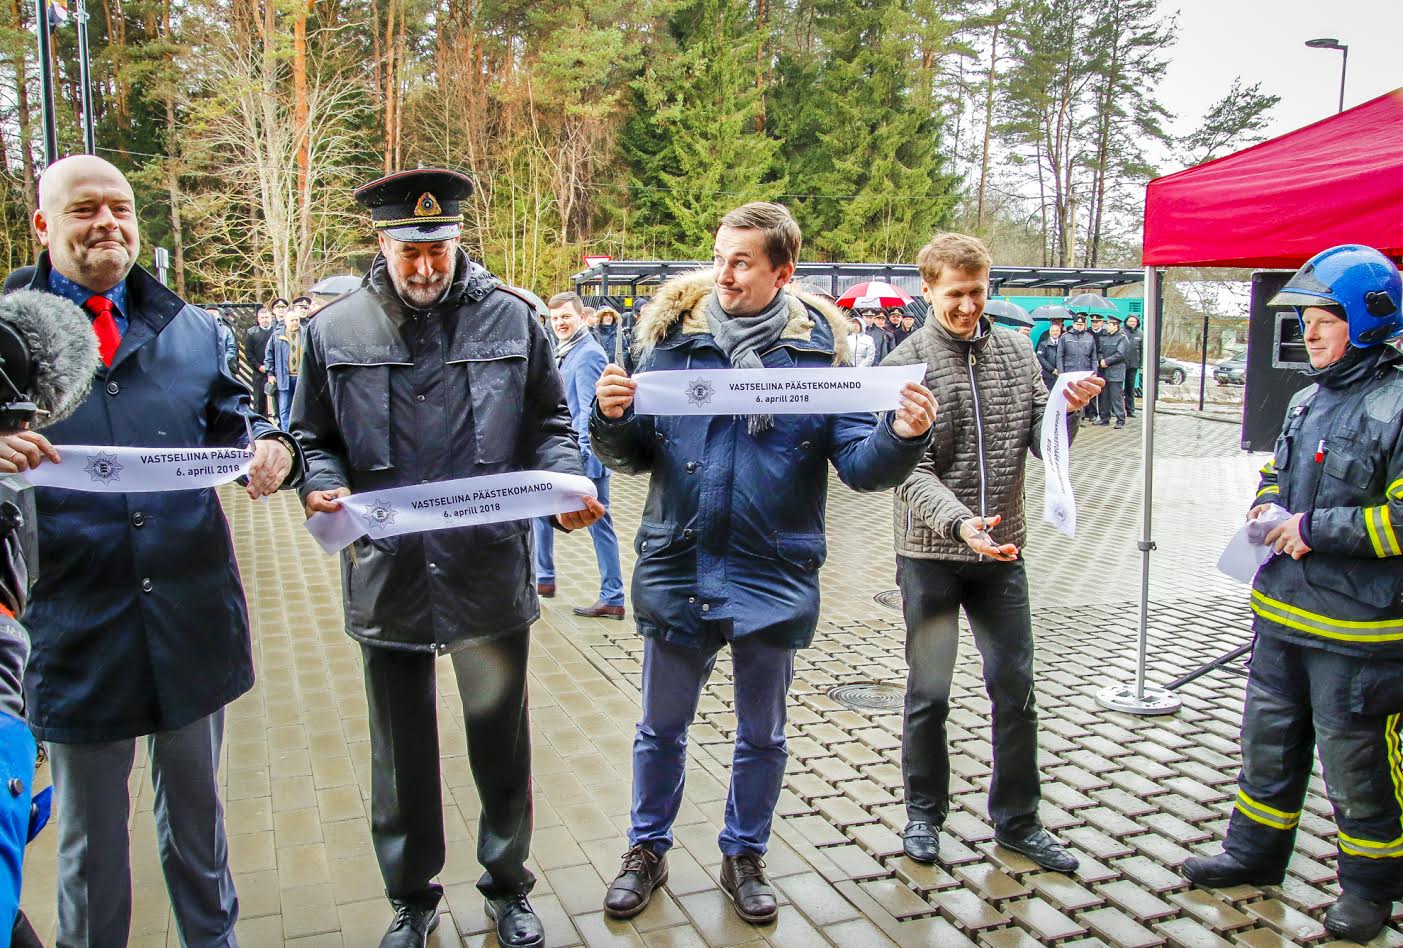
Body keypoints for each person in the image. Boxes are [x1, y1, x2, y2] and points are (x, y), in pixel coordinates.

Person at [591, 202, 937, 925]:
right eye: (719, 256)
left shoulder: (820, 361)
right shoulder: (669, 348)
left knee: (761, 736)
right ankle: (645, 850)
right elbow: (629, 458)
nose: (723, 272)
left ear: (783, 271)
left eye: (742, 260)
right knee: (660, 728)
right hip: (679, 563)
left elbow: (862, 469)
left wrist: (903, 434)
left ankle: (743, 853)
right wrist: (613, 418)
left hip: (770, 573)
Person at [293, 168, 603, 948]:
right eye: (409, 253)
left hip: (485, 569)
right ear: (382, 242)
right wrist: (322, 487)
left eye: (438, 249)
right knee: (399, 754)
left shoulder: (512, 319)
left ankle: (507, 886)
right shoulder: (334, 331)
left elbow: (550, 422)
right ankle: (411, 897)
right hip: (386, 571)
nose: (426, 268)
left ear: (458, 239)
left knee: (501, 740)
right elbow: (310, 438)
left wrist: (565, 484)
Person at [0, 154, 300, 948]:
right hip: (72, 627)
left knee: (198, 826)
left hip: (189, 615)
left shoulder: (195, 330)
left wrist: (273, 447)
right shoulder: (3, 335)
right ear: (43, 224)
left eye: (121, 208)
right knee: (92, 843)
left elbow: (242, 419)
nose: (107, 224)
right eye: (83, 210)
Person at [1181, 245, 1403, 944]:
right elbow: (1276, 477)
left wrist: (1313, 528)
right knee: (1267, 748)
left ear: (1366, 322)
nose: (1307, 335)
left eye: (1323, 321)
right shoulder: (1307, 398)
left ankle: (1369, 890)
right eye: (1305, 320)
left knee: (1357, 766)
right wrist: (1266, 509)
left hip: (1361, 633)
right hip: (1279, 616)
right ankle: (1253, 855)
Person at [883, 232, 1102, 875]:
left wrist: (1069, 410)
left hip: (1003, 552)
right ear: (928, 290)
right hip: (931, 554)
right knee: (930, 692)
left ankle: (1019, 821)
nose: (968, 307)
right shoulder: (906, 363)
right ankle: (924, 814)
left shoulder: (1014, 350)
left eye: (978, 292)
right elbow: (908, 470)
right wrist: (960, 525)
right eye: (955, 294)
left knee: (1015, 687)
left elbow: (1043, 438)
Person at [532, 292, 626, 619]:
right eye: (556, 318)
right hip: (567, 456)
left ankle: (613, 596)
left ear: (581, 318)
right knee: (540, 511)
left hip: (586, 460)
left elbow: (590, 411)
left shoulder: (587, 355)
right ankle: (541, 577)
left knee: (601, 525)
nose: (560, 323)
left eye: (566, 317)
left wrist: (584, 463)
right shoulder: (565, 351)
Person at [265, 302, 304, 428]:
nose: (295, 323)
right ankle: (287, 435)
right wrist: (270, 374)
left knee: (300, 409)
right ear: (286, 322)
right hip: (283, 378)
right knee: (284, 409)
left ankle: (300, 434)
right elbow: (269, 356)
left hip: (301, 378)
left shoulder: (306, 335)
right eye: (292, 320)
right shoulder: (276, 336)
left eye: (297, 320)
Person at [1095, 314, 1130, 428]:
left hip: (1116, 372)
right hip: (1104, 372)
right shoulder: (1107, 337)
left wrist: (1107, 361)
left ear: (1116, 326)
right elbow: (1100, 351)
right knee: (1104, 398)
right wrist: (1101, 360)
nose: (1107, 326)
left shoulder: (1122, 338)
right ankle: (1104, 418)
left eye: (1109, 324)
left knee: (1116, 397)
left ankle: (1120, 419)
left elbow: (1120, 354)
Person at [244, 306, 276, 415]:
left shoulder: (278, 331)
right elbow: (249, 354)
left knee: (279, 399)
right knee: (259, 401)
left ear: (271, 317)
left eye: (267, 317)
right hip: (259, 371)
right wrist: (259, 367)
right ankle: (261, 424)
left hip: (277, 371)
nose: (265, 319)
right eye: (262, 317)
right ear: (258, 319)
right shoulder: (251, 333)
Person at [1122, 313, 1142, 417]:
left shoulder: (1140, 334)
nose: (1132, 323)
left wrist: (1140, 364)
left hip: (1133, 365)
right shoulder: (1121, 332)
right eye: (1130, 321)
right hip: (1120, 364)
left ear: (1137, 323)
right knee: (1118, 388)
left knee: (1130, 388)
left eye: (1134, 321)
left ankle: (1130, 410)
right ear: (1126, 321)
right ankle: (1116, 410)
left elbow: (1142, 350)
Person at [1035, 321, 1062, 391]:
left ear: (1059, 333)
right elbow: (1040, 358)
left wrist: (1061, 370)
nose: (1055, 332)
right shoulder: (1043, 344)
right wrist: (1052, 370)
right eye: (1053, 331)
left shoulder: (1063, 344)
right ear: (1050, 333)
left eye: (1057, 331)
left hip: (1061, 375)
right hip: (1047, 375)